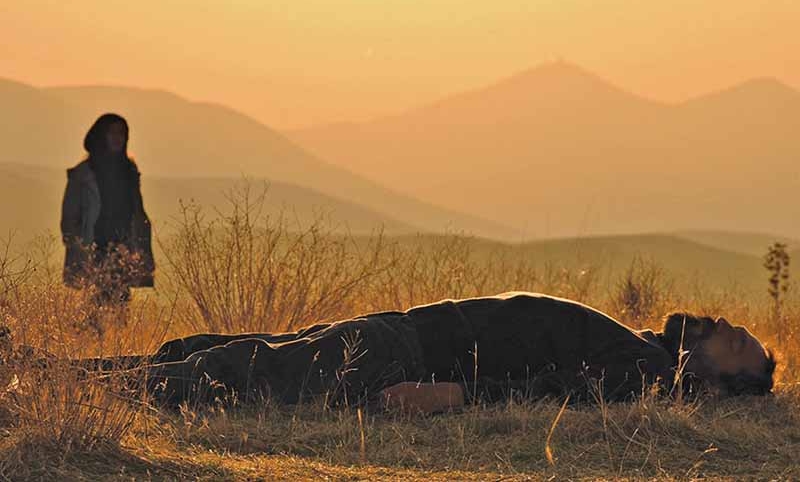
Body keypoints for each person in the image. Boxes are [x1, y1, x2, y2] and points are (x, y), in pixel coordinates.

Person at [140, 292, 775, 411]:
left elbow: (553, 393)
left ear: (719, 383)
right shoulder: (647, 350)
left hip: (408, 353)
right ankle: (94, 382)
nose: (729, 324)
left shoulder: (645, 375)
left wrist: (452, 393)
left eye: (739, 343)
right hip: (407, 331)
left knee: (235, 371)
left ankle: (90, 390)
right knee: (219, 353)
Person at [60, 114, 154, 320]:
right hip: (93, 247)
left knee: (121, 305)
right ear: (101, 136)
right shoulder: (83, 174)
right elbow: (70, 216)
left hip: (123, 248)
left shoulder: (129, 172)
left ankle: (117, 339)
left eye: (121, 133)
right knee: (95, 306)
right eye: (112, 132)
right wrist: (78, 247)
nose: (117, 138)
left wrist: (140, 248)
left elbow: (138, 213)